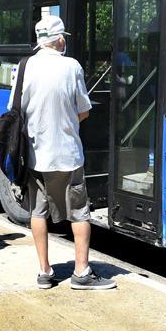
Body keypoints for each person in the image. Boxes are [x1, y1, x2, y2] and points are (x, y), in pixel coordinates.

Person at [9, 15, 116, 290]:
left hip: (34, 154)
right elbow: (84, 110)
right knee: (79, 212)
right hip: (67, 155)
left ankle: (45, 271)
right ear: (58, 39)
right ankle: (81, 272)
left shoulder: (24, 66)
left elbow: (15, 109)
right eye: (63, 37)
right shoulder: (72, 66)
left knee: (38, 211)